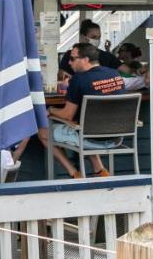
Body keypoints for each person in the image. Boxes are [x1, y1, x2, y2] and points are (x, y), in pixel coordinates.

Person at [45, 42, 127, 177]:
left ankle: (74, 173)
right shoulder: (115, 74)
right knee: (87, 124)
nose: (69, 63)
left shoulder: (79, 79)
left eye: (72, 58)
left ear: (85, 60)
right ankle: (100, 170)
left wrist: (51, 110)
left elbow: (67, 115)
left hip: (90, 138)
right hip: (116, 137)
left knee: (43, 132)